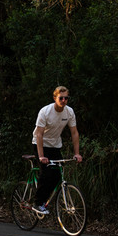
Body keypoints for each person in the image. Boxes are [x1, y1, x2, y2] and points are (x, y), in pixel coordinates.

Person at [31, 86, 83, 215]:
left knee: (57, 175)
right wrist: (41, 156)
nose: (64, 100)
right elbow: (39, 135)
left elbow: (74, 133)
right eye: (61, 98)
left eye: (66, 98)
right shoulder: (45, 112)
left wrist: (77, 153)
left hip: (55, 145)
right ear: (55, 98)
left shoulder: (69, 112)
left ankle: (44, 201)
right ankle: (38, 203)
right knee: (47, 172)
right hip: (40, 144)